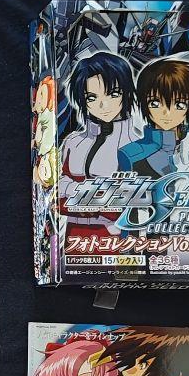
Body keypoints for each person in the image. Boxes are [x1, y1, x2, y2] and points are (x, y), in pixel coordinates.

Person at [59, 51, 138, 238]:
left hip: (116, 239)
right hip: (74, 236)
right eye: (92, 98)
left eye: (113, 94)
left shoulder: (136, 145)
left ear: (126, 93)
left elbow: (125, 205)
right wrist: (95, 197)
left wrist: (75, 192)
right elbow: (57, 196)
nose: (103, 105)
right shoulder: (73, 142)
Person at [119, 57, 189, 185]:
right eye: (155, 103)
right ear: (144, 103)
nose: (167, 113)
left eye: (179, 105)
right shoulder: (130, 154)